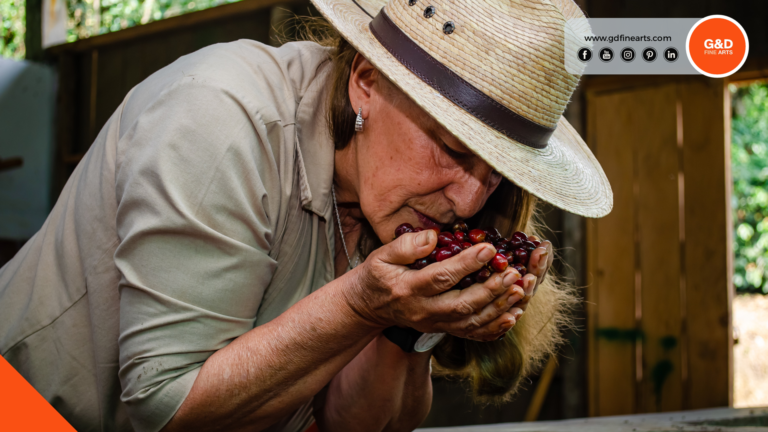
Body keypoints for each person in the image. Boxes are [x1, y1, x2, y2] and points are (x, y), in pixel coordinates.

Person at [0, 0, 612, 431]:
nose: (470, 202)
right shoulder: (220, 120)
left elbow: (355, 423)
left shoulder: (386, 191)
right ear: (367, 81)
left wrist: (410, 322)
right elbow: (166, 409)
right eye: (453, 150)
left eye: (498, 170)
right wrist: (360, 305)